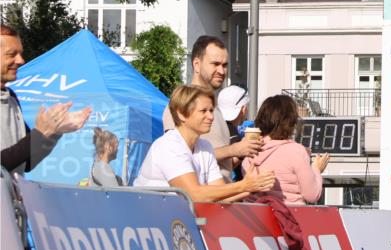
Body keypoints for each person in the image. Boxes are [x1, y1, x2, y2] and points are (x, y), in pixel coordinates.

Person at [136, 85, 274, 201]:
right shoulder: (169, 145)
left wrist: (254, 187)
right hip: (149, 224)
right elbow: (193, 195)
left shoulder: (205, 147)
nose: (211, 116)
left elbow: (219, 195)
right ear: (181, 114)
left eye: (211, 110)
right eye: (203, 111)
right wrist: (244, 186)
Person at [162, 36, 260, 179]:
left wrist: (240, 152)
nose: (221, 70)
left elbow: (222, 167)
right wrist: (233, 149)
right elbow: (177, 156)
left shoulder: (215, 108)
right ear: (197, 64)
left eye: (225, 65)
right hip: (199, 198)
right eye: (215, 64)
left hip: (220, 196)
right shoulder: (182, 103)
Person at [1, 24, 91, 173]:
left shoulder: (11, 98)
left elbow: (26, 162)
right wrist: (41, 134)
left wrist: (54, 132)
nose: (21, 60)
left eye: (20, 53)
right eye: (12, 54)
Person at [241, 94, 329, 205]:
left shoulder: (249, 149)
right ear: (291, 121)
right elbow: (312, 195)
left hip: (254, 217)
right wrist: (316, 169)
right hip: (290, 217)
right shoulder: (296, 151)